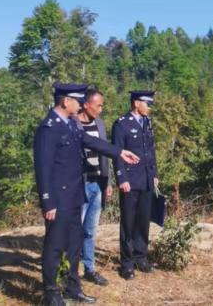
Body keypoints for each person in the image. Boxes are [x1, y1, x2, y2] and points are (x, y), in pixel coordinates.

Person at [34, 83, 140, 306]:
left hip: (75, 195)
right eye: (77, 100)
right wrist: (47, 202)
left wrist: (119, 151)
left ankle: (73, 287)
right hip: (58, 199)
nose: (80, 104)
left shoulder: (70, 125)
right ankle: (51, 293)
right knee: (54, 246)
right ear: (65, 101)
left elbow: (91, 141)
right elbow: (42, 168)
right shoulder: (49, 128)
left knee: (74, 244)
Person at [111, 90, 159, 280]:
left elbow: (151, 151)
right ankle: (127, 263)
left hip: (146, 179)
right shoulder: (122, 124)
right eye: (147, 103)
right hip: (130, 181)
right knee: (128, 223)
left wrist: (154, 174)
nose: (150, 107)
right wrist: (121, 178)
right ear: (136, 103)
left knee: (143, 221)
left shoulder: (147, 123)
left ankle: (141, 257)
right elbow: (117, 154)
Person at [75, 88, 112, 286]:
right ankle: (70, 272)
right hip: (79, 185)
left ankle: (89, 269)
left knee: (90, 230)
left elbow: (106, 152)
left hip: (97, 184)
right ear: (86, 104)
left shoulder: (99, 124)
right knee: (74, 231)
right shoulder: (73, 124)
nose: (100, 109)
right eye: (98, 105)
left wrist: (109, 182)